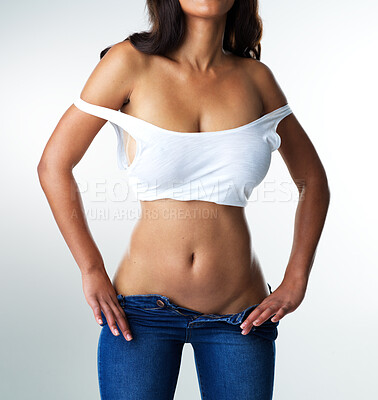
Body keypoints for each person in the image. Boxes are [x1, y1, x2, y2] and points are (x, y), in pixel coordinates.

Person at [37, 0, 330, 399]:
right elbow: (54, 164)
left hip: (239, 317)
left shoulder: (256, 79)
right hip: (138, 315)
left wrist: (296, 279)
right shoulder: (129, 63)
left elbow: (313, 180)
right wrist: (91, 268)